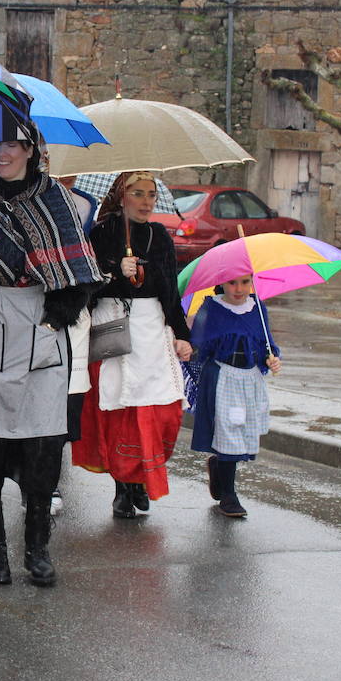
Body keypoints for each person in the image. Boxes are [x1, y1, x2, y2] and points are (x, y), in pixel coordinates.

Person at [0, 137, 103, 587]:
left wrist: (60, 313)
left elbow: (76, 267)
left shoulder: (54, 196)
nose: (2, 153)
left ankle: (37, 547)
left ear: (30, 150)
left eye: (12, 145)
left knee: (40, 449)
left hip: (40, 327)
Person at [72, 171, 194, 516]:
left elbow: (170, 289)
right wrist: (113, 269)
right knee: (123, 409)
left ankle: (141, 478)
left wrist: (182, 334)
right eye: (138, 193)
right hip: (116, 327)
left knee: (161, 409)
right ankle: (124, 486)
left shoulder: (160, 236)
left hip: (152, 328)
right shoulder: (103, 232)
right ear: (121, 196)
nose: (146, 201)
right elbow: (88, 284)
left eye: (151, 195)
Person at [187, 276, 282, 518]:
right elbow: (198, 347)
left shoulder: (258, 308)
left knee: (241, 431)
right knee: (228, 431)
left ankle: (220, 466)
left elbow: (266, 344)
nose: (239, 289)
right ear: (222, 284)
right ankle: (229, 495)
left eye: (244, 282)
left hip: (248, 379)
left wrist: (271, 358)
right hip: (223, 377)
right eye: (232, 283)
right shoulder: (212, 308)